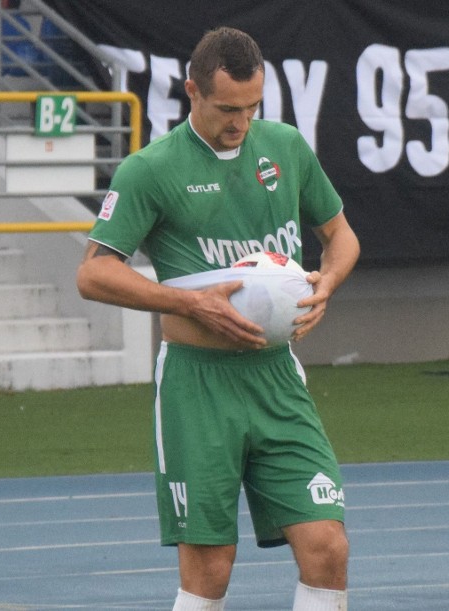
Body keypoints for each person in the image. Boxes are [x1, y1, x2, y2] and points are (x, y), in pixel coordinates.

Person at [77, 26, 360, 611]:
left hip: (277, 378)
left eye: (253, 106)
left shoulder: (284, 148)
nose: (242, 122)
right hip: (197, 386)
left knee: (327, 545)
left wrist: (327, 282)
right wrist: (189, 301)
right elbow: (94, 273)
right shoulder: (150, 170)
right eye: (228, 108)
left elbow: (341, 236)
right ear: (191, 91)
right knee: (210, 567)